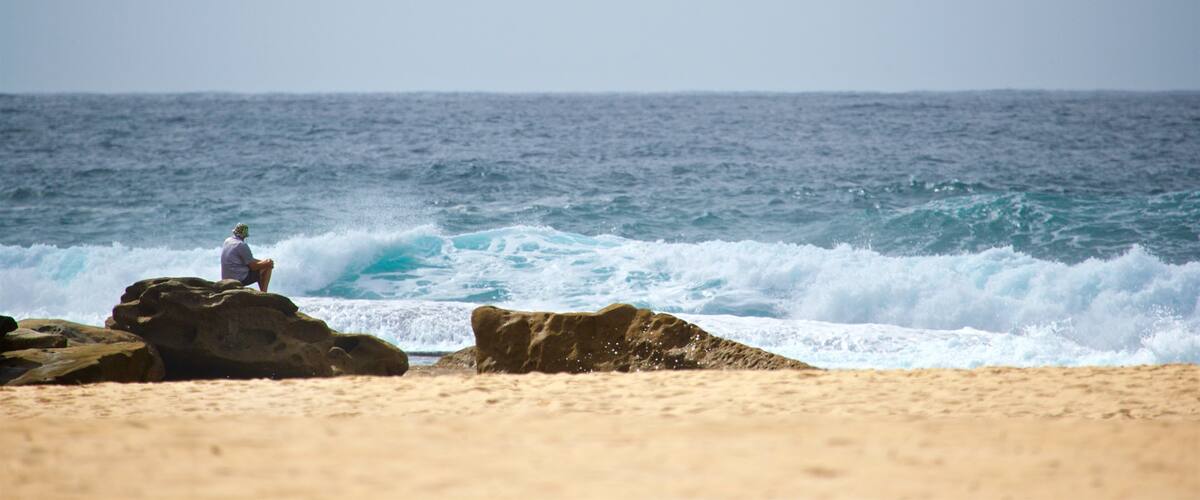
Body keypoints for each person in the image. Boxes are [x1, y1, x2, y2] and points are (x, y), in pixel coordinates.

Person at [221, 223, 274, 292]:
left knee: (265, 264)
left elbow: (248, 260)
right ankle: (264, 292)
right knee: (267, 267)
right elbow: (253, 267)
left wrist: (263, 262)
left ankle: (263, 292)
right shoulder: (241, 245)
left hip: (226, 279)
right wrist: (267, 263)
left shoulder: (227, 240)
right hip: (238, 280)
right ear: (245, 235)